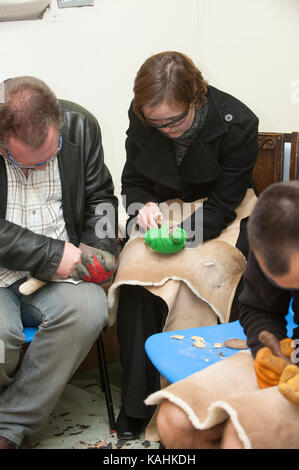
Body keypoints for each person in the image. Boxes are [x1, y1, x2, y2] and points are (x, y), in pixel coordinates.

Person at [113, 51, 259, 440]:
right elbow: (134, 179)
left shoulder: (240, 122)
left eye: (174, 120)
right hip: (163, 208)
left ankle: (193, 398)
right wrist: (140, 208)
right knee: (136, 277)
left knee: (200, 272)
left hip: (220, 209)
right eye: (155, 123)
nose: (166, 129)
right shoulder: (142, 114)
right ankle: (137, 403)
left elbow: (224, 204)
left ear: (197, 98)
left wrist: (179, 239)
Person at [0, 76, 118, 449]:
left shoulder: (81, 126)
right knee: (2, 338)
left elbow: (101, 197)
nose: (38, 168)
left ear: (59, 125)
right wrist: (52, 254)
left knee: (90, 309)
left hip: (60, 277)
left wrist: (99, 247)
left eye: (48, 158)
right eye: (23, 162)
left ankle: (8, 428)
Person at [146, 180, 299, 449]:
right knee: (175, 419)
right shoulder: (276, 226)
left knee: (241, 437)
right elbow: (260, 308)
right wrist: (266, 351)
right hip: (291, 353)